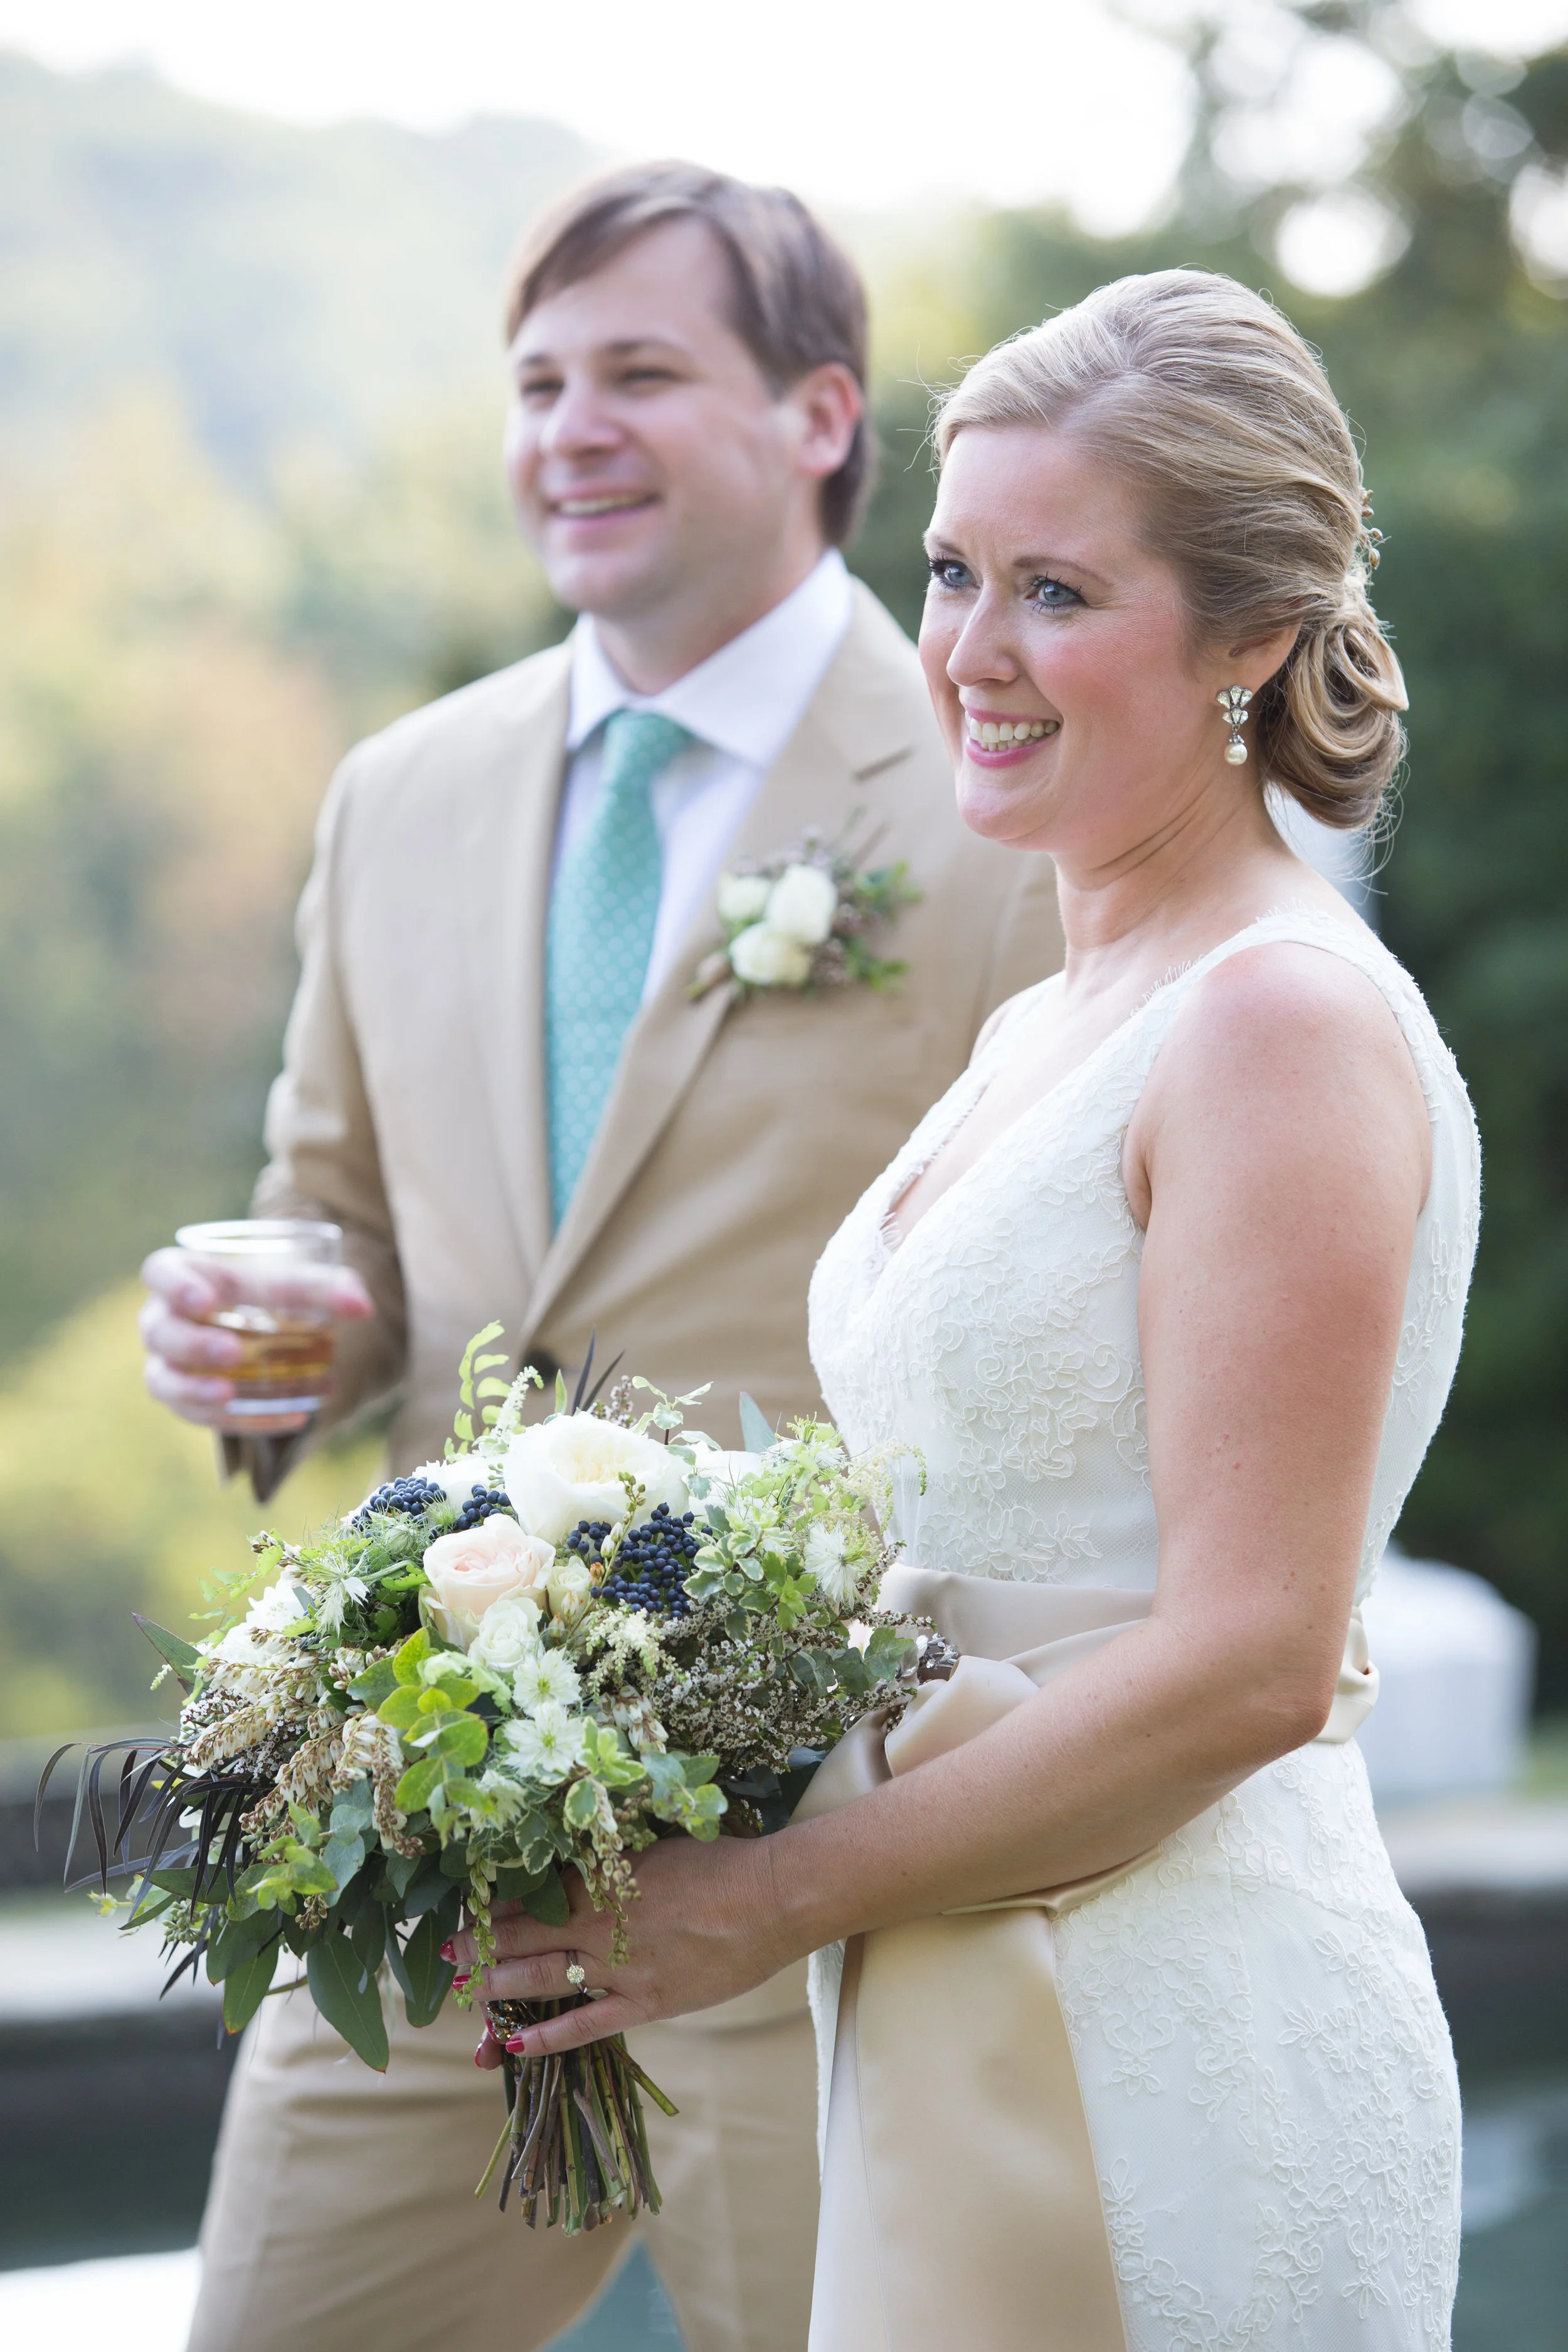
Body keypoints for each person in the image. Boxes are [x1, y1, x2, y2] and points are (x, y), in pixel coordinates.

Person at [453, 269, 1478, 2350]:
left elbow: (1256, 1660)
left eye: (1058, 595)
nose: (969, 657)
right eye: (949, 574)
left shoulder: (1271, 1016)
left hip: (1164, 2025)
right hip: (951, 1974)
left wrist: (752, 1904)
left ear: (1253, 638)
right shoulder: (1047, 1013)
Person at [137, 163, 1062, 2352]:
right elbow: (341, 1220)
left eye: (639, 370)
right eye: (537, 380)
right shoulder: (401, 793)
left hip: (824, 1831)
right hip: (428, 1828)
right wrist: (289, 1338)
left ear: (823, 413)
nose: (568, 423)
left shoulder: (991, 789)